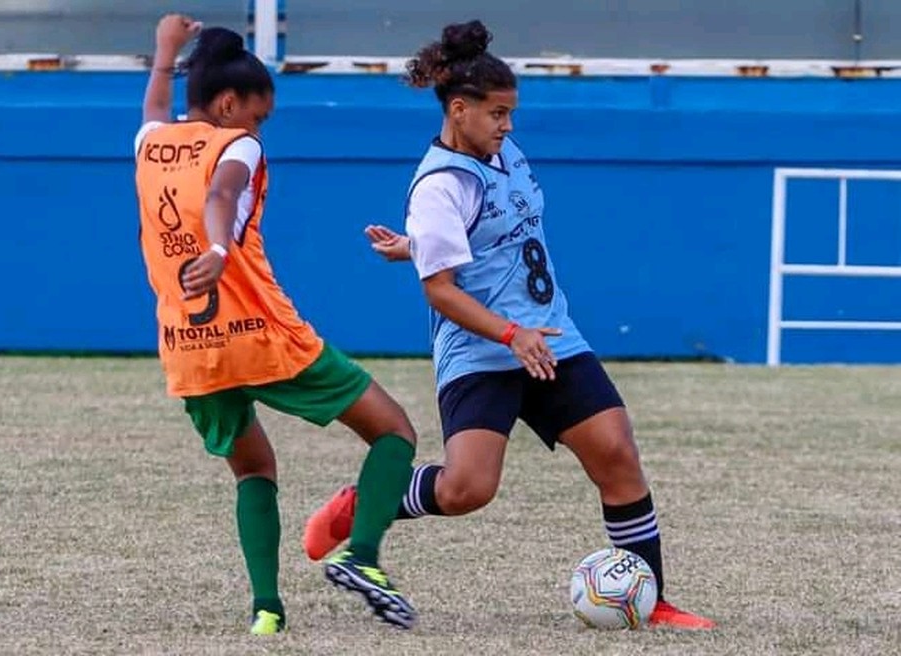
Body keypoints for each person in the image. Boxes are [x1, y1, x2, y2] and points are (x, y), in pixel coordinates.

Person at [303, 19, 715, 630]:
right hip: (482, 351)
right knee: (467, 489)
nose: (509, 126)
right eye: (498, 114)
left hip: (550, 337)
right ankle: (368, 502)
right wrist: (504, 330)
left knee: (617, 453)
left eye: (511, 113)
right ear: (460, 110)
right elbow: (440, 290)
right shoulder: (439, 185)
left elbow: (487, 238)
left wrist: (419, 245)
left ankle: (650, 603)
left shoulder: (501, 151)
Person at [134, 14, 419, 634]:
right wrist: (215, 251)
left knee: (254, 470)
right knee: (395, 432)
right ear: (230, 102)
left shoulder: (150, 142)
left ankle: (267, 608)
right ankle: (364, 555)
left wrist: (164, 48)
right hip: (261, 334)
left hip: (190, 347)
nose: (260, 128)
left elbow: (157, 104)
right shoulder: (238, 142)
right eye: (258, 115)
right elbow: (221, 197)